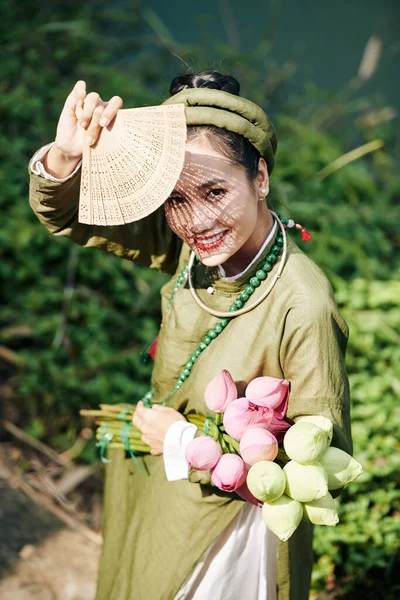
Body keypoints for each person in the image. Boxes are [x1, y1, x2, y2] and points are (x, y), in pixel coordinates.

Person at [28, 71, 352, 600]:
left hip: (229, 530)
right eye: (175, 199)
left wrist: (182, 441)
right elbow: (69, 213)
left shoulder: (303, 305)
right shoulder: (196, 244)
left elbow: (320, 460)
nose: (197, 221)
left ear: (261, 178)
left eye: (215, 190)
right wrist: (66, 156)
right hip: (160, 482)